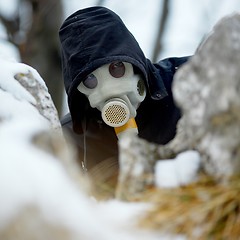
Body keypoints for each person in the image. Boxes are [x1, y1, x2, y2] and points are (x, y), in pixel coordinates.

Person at [59, 6, 189, 172]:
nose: (108, 89)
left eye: (117, 67)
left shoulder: (189, 82)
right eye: (89, 80)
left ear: (134, 62)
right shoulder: (71, 138)